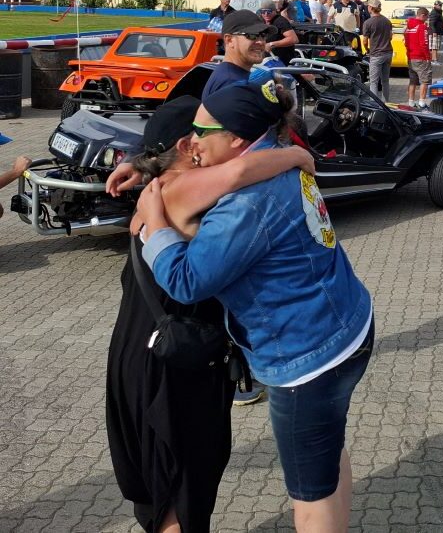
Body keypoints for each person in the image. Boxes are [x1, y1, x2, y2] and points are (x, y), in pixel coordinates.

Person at [136, 82, 373, 533]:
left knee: (309, 495)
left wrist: (153, 229)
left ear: (238, 140)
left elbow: (187, 282)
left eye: (202, 132)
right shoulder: (278, 155)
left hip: (307, 359)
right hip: (347, 324)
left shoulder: (246, 202)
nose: (193, 143)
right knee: (326, 450)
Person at [107, 96, 313, 533]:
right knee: (183, 486)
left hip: (137, 350)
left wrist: (140, 166)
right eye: (204, 134)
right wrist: (296, 154)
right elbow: (241, 170)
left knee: (165, 480)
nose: (212, 142)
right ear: (186, 146)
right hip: (175, 363)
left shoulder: (157, 188)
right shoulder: (186, 190)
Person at [202, 10, 274, 98]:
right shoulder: (231, 84)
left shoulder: (232, 75)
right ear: (229, 40)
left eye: (263, 35)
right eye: (252, 35)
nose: (261, 42)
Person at [361, 0, 394, 101]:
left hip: (376, 54)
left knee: (374, 82)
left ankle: (374, 105)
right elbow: (390, 37)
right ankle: (386, 102)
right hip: (388, 52)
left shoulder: (368, 23)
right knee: (385, 81)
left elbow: (365, 41)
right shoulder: (387, 21)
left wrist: (367, 49)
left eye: (368, 6)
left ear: (371, 7)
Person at [405, 7, 432, 108]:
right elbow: (424, 43)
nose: (427, 19)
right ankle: (422, 102)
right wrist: (428, 57)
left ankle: (411, 102)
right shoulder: (421, 27)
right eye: (427, 17)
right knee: (424, 80)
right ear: (422, 15)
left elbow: (406, 43)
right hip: (421, 57)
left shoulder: (408, 27)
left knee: (412, 81)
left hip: (411, 57)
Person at [260, 0, 300, 67]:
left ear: (274, 11)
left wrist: (271, 44)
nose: (266, 14)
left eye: (269, 11)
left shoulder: (280, 21)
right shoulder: (261, 21)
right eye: (263, 11)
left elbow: (294, 39)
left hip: (283, 62)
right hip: (267, 61)